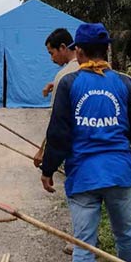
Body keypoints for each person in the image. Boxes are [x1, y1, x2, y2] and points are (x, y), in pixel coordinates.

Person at [40, 23, 131, 262]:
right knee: (125, 232)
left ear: (79, 51)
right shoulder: (126, 84)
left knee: (84, 243)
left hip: (84, 175)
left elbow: (59, 132)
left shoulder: (70, 83)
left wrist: (47, 169)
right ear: (106, 51)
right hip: (118, 172)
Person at [33, 28, 80, 168]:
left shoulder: (64, 76)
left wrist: (43, 152)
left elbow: (56, 121)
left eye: (51, 53)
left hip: (74, 148)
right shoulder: (92, 69)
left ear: (63, 47)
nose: (51, 59)